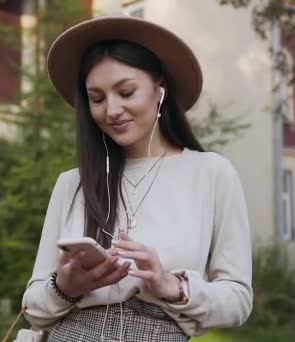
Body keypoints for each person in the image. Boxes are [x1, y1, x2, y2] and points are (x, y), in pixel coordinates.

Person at [21, 15, 252, 341]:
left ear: (160, 91)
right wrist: (65, 287)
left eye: (126, 92)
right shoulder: (73, 183)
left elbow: (238, 300)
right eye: (97, 99)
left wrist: (173, 287)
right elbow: (32, 308)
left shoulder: (212, 173)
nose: (112, 110)